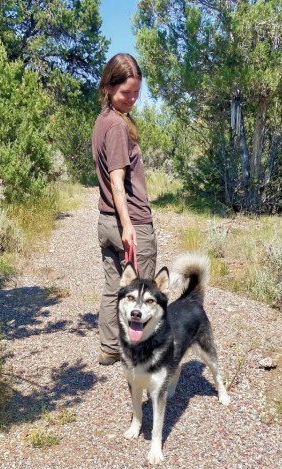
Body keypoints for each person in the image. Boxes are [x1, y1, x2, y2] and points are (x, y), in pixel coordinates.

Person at [92, 53, 157, 366]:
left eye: (136, 93)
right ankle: (142, 356)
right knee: (143, 293)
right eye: (125, 93)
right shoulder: (117, 126)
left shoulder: (104, 119)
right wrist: (129, 225)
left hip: (106, 222)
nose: (131, 99)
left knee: (113, 287)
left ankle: (109, 348)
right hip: (127, 223)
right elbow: (117, 182)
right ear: (108, 87)